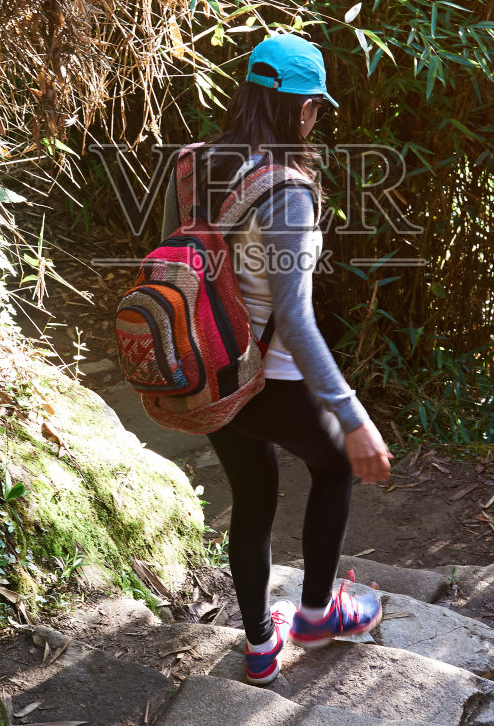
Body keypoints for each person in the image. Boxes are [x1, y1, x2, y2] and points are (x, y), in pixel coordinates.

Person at [159, 33, 393, 686]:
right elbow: (294, 316)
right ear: (299, 107)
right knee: (339, 464)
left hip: (204, 367)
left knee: (253, 495)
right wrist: (353, 418)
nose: (317, 116)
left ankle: (261, 643)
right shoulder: (288, 189)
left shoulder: (193, 162)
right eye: (315, 105)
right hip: (268, 379)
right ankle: (317, 615)